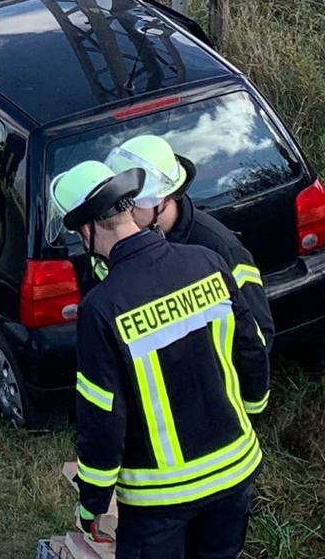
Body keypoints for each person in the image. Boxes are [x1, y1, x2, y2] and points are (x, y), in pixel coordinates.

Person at [54, 159, 265, 559]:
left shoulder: (102, 308)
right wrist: (252, 409)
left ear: (87, 229)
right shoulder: (206, 261)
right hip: (236, 470)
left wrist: (93, 503)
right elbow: (251, 346)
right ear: (128, 209)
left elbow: (102, 415)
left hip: (161, 499)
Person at [94, 134, 273, 366]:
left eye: (133, 203)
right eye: (118, 203)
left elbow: (259, 334)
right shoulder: (123, 241)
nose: (124, 213)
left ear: (165, 198)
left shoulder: (218, 248)